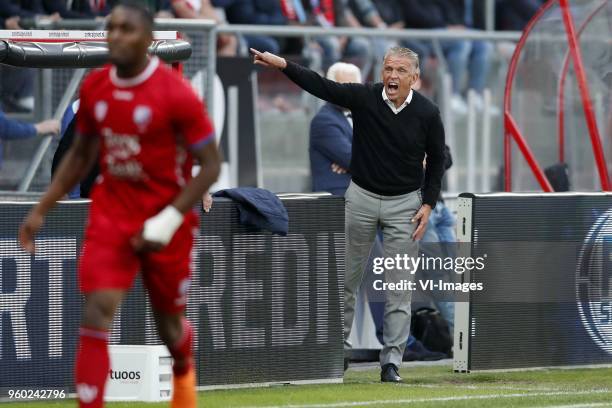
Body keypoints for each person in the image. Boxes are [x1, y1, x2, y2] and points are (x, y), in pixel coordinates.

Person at [18, 2, 221, 407]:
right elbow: (79, 156)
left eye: (126, 29)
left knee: (168, 324)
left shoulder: (176, 94)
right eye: (110, 28)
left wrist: (169, 217)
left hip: (167, 217)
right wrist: (42, 207)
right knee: (97, 309)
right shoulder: (96, 88)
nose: (115, 36)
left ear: (148, 40)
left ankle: (183, 370)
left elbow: (211, 165)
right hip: (112, 212)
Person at [252, 45, 446, 382]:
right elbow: (320, 86)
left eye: (400, 71)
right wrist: (283, 64)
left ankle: (392, 363)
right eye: (388, 69)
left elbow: (438, 160)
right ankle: (336, 352)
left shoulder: (428, 113)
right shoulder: (365, 97)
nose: (392, 76)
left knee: (399, 287)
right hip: (362, 199)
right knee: (346, 281)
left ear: (415, 78)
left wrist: (428, 204)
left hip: (405, 205)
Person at [309, 62, 360, 196]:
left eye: (354, 87)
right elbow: (354, 161)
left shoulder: (365, 116)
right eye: (344, 87)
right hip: (336, 201)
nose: (350, 93)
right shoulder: (324, 121)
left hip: (361, 196)